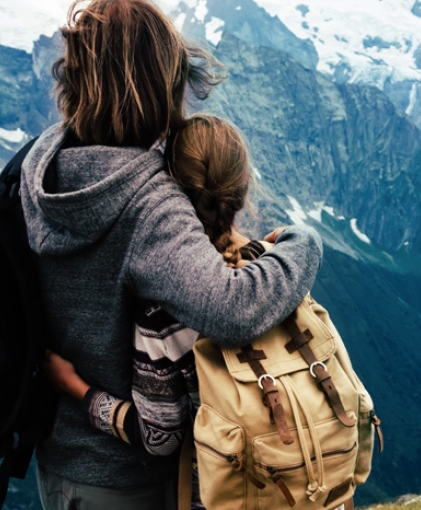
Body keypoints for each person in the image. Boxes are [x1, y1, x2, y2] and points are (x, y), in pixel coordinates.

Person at [21, 2, 322, 510]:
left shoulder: (39, 165)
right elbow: (232, 306)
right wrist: (303, 243)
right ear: (155, 83)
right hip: (132, 475)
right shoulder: (150, 202)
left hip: (58, 463)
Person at [45, 114, 280, 510]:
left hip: (223, 494)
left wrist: (77, 390)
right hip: (293, 478)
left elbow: (160, 436)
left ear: (169, 188)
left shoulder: (166, 307)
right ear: (242, 187)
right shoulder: (271, 266)